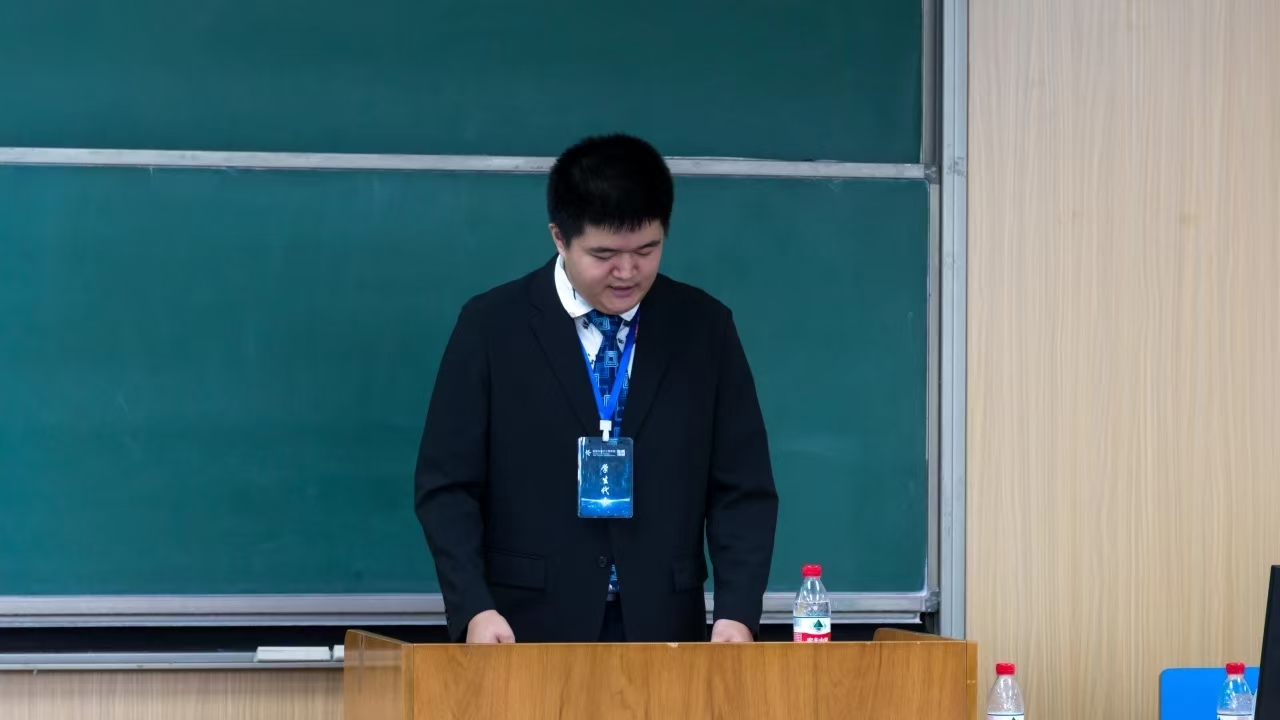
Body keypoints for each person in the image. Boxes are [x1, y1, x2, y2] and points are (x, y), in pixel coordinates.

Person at [413, 133, 778, 644]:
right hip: (525, 627)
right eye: (604, 254)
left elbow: (743, 489)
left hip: (664, 626)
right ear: (559, 238)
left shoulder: (704, 328)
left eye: (646, 250)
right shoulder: (492, 326)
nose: (627, 272)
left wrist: (737, 613)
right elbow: (446, 487)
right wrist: (474, 607)